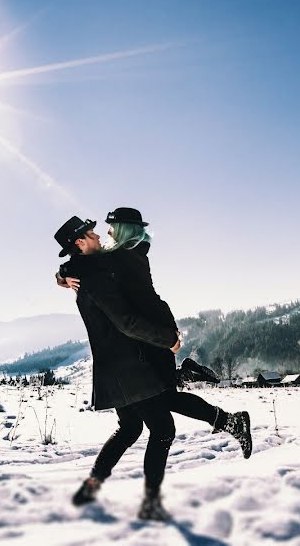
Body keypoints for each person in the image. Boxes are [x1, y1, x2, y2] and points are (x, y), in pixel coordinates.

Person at [57, 208, 252, 457]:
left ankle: (225, 417)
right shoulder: (122, 252)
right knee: (164, 395)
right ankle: (219, 411)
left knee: (165, 399)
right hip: (152, 329)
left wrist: (65, 274)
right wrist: (63, 275)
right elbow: (83, 261)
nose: (105, 231)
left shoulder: (122, 255)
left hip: (150, 332)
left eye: (112, 226)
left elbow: (84, 264)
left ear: (124, 230)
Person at [54, 215, 182, 521]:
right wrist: (167, 340)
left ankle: (91, 484)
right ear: (80, 242)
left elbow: (73, 267)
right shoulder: (94, 276)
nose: (99, 237)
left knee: (130, 428)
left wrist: (61, 274)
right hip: (128, 368)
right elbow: (126, 321)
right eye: (92, 234)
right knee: (163, 429)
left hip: (112, 368)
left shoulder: (83, 270)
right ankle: (151, 503)